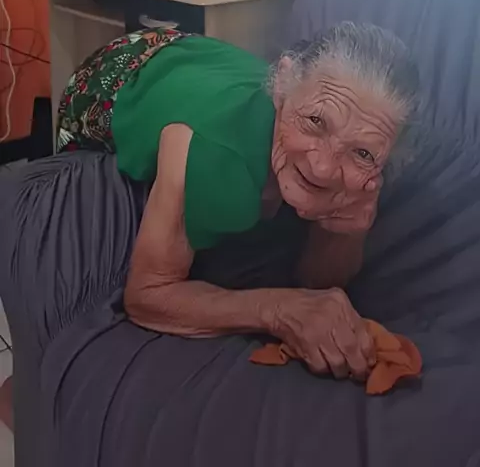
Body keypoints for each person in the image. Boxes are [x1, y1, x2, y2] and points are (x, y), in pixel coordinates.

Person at [55, 20, 418, 382]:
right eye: (315, 121)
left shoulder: (363, 152)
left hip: (205, 64)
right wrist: (278, 310)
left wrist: (347, 232)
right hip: (117, 72)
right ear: (281, 87)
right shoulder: (217, 153)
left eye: (362, 153)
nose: (323, 169)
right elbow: (147, 296)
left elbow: (318, 280)